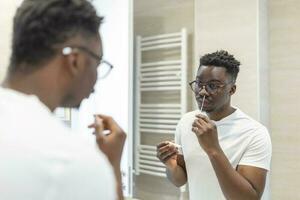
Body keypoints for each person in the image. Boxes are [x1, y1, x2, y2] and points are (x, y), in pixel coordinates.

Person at [0, 0, 126, 200]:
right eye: (98, 63)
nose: (95, 81)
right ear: (75, 61)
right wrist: (110, 168)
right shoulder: (71, 162)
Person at [156, 50, 272, 200]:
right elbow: (180, 179)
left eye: (213, 86)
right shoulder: (186, 122)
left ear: (232, 89)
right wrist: (170, 164)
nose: (202, 92)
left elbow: (249, 198)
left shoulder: (255, 133)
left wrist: (213, 149)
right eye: (199, 83)